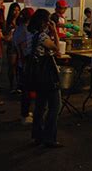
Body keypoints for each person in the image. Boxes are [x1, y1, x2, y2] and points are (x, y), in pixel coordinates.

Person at [27, 9, 63, 148]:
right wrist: (54, 31)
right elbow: (57, 49)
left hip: (37, 76)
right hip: (46, 75)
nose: (49, 23)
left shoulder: (32, 34)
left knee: (40, 106)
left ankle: (38, 136)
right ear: (43, 22)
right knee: (55, 106)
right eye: (48, 20)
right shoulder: (42, 36)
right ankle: (49, 137)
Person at [13, 7, 35, 125]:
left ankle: (26, 112)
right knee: (26, 91)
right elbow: (21, 50)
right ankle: (24, 115)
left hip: (26, 63)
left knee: (28, 89)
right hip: (25, 64)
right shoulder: (22, 30)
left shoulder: (24, 29)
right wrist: (25, 63)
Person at [5, 2, 21, 93]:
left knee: (19, 67)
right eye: (14, 10)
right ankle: (11, 86)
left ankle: (18, 85)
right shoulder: (8, 22)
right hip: (12, 46)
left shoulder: (20, 21)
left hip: (20, 46)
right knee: (12, 67)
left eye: (18, 10)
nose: (16, 12)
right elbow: (6, 35)